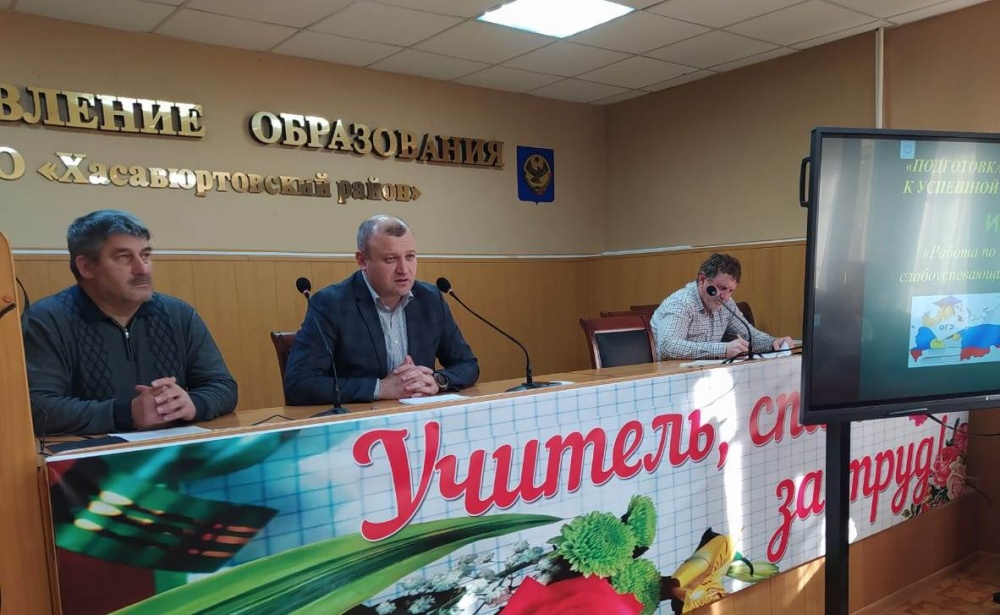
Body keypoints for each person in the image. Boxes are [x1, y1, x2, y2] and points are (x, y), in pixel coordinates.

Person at [23, 210, 238, 436]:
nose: (142, 269)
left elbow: (222, 385)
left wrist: (190, 403)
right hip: (88, 455)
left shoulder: (179, 314)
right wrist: (127, 414)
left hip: (171, 449)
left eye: (145, 255)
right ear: (86, 267)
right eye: (124, 257)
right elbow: (37, 408)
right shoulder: (45, 320)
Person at [283, 214, 479, 405]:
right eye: (390, 259)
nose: (404, 269)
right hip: (361, 421)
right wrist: (380, 388)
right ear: (362, 261)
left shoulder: (430, 299)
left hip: (420, 418)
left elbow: (468, 365)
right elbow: (299, 384)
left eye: (410, 256)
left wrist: (437, 381)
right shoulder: (331, 304)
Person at [651, 253, 794, 360]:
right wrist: (723, 350)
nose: (725, 296)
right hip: (672, 376)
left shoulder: (726, 304)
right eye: (722, 288)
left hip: (706, 374)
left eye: (730, 290)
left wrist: (773, 342)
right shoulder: (681, 303)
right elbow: (668, 346)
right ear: (702, 280)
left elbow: (749, 335)